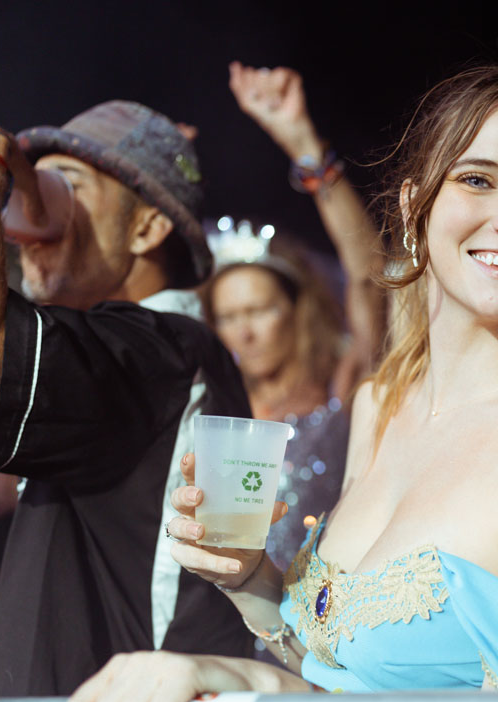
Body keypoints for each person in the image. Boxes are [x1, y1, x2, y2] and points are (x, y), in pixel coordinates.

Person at [66, 63, 498, 702]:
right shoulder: (381, 404)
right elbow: (330, 667)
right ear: (416, 206)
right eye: (478, 180)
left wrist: (220, 677)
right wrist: (251, 576)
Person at [0, 101, 253, 697]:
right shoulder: (174, 354)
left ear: (147, 228)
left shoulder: (156, 352)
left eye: (65, 186)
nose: (33, 205)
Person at [204, 63, 388, 569]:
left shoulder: (342, 385)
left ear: (295, 311)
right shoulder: (212, 411)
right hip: (231, 626)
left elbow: (370, 277)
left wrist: (306, 146)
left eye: (260, 309)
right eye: (227, 316)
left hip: (317, 625)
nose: (244, 329)